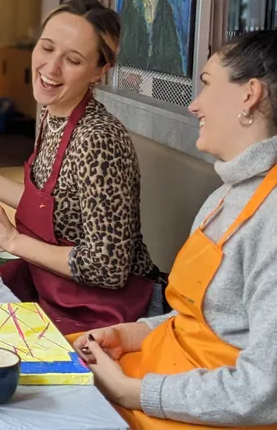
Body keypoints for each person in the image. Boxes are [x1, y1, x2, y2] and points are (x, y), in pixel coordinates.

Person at [72, 31, 277, 428]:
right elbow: (199, 321)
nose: (193, 104)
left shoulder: (271, 218)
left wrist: (133, 392)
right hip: (160, 369)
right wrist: (130, 334)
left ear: (249, 94)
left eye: (205, 83)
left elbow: (264, 389)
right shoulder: (227, 194)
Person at [0, 0, 159, 335]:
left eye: (72, 60)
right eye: (47, 48)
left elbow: (107, 267)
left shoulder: (98, 139)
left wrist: (11, 240)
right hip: (51, 288)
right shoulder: (53, 113)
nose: (51, 69)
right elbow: (52, 206)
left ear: (99, 70)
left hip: (103, 312)